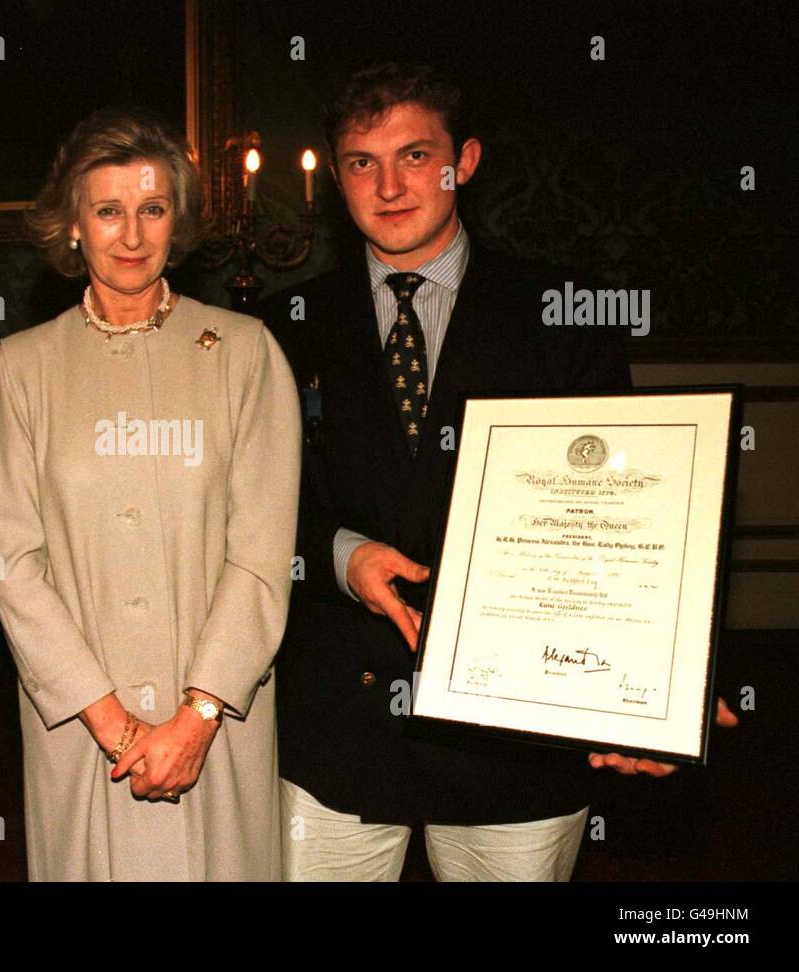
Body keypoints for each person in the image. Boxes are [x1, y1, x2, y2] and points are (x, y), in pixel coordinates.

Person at [264, 62, 737, 882]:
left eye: (415, 156)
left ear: (466, 161)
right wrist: (343, 556)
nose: (389, 185)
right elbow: (256, 507)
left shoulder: (562, 313)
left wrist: (656, 691)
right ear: (336, 176)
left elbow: (619, 525)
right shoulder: (282, 328)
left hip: (517, 737)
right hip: (337, 727)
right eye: (361, 162)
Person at [0, 110, 301, 880]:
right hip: (83, 734)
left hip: (216, 731)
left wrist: (198, 714)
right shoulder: (20, 370)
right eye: (108, 211)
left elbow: (261, 557)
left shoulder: (246, 354)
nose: (131, 234)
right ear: (74, 227)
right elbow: (13, 569)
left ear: (175, 220)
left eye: (151, 209)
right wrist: (117, 727)